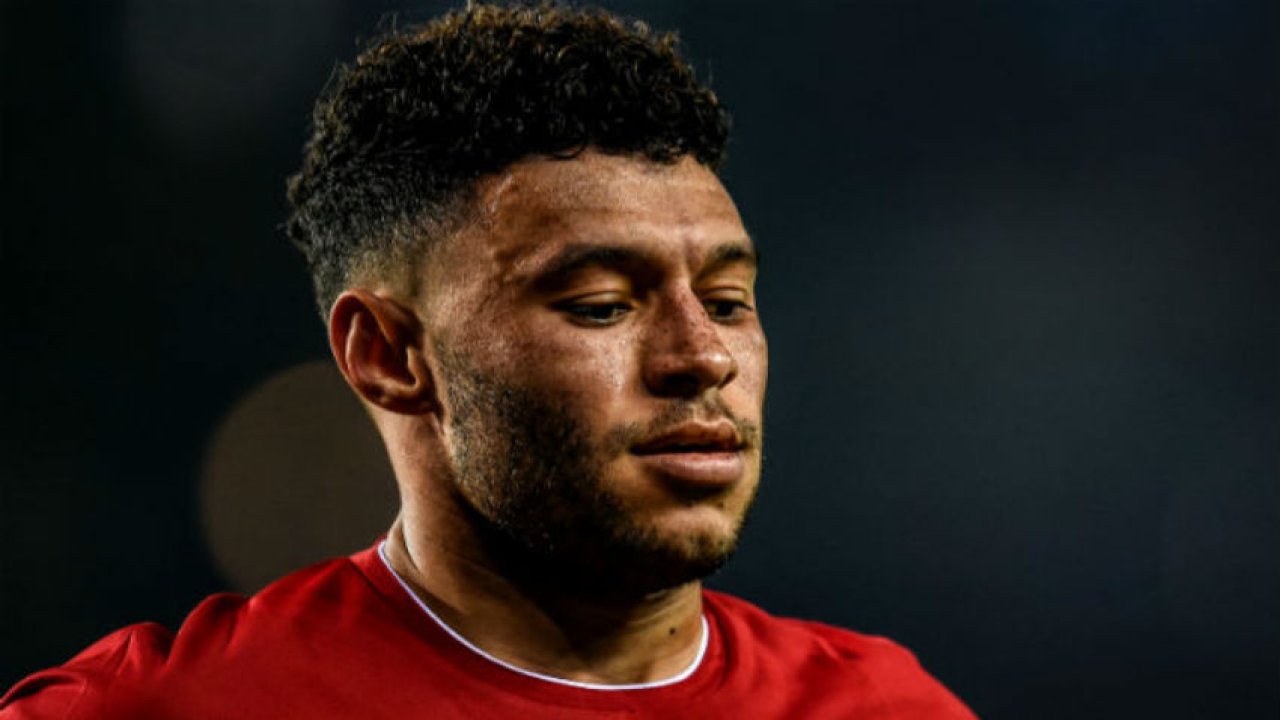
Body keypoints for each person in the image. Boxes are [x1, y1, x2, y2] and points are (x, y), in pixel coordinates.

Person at [2, 3, 976, 718]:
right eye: (602, 306)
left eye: (727, 302)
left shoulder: (888, 708)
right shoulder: (169, 711)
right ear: (389, 355)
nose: (702, 356)